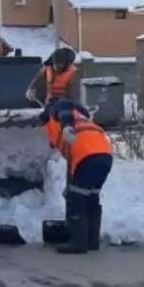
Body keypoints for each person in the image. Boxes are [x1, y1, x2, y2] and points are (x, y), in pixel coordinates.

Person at [45, 98, 113, 254]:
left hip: (87, 156)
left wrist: (66, 126)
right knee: (91, 197)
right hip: (105, 156)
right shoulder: (82, 117)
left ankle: (78, 244)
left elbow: (63, 109)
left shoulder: (59, 109)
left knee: (77, 199)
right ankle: (92, 241)